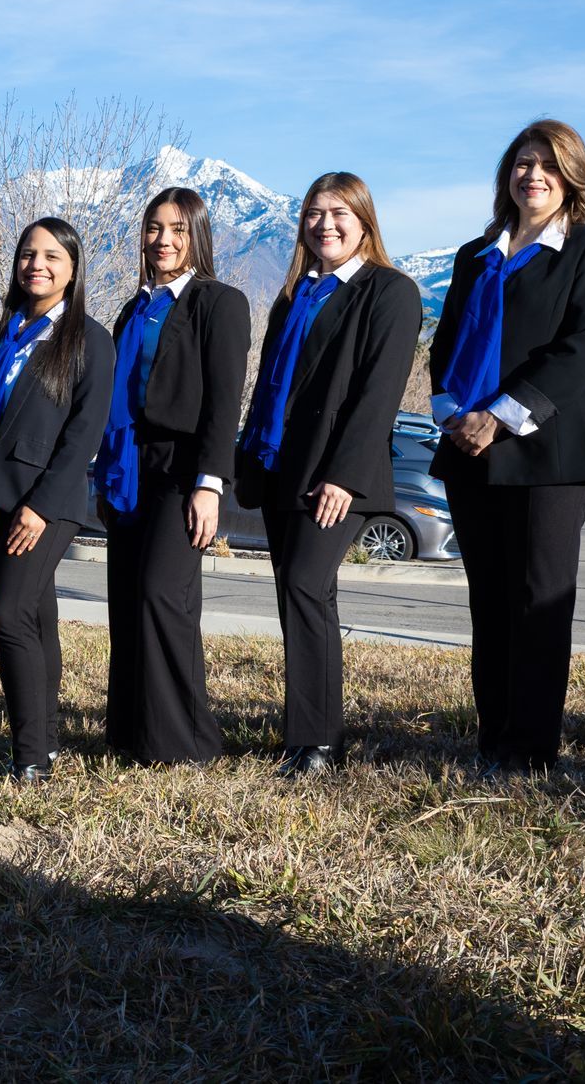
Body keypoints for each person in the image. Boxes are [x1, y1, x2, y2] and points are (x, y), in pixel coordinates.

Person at [429, 120, 585, 775]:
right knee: (491, 601)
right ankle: (494, 739)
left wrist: (502, 417)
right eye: (522, 162)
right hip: (469, 450)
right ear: (506, 175)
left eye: (548, 164)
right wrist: (454, 414)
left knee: (538, 602)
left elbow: (580, 350)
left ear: (571, 178)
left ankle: (530, 751)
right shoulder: (475, 254)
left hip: (548, 455)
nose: (532, 174)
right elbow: (445, 345)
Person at [235, 173, 421, 777]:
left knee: (306, 587)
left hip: (340, 475)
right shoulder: (296, 295)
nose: (326, 225)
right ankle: (317, 734)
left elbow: (379, 393)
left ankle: (313, 744)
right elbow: (269, 385)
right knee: (302, 596)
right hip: (282, 468)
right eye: (314, 214)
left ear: (365, 218)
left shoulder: (388, 291)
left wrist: (342, 475)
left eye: (339, 213)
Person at [95, 186, 249, 766]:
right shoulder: (133, 308)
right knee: (127, 599)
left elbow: (223, 403)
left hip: (183, 472)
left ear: (199, 236)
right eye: (155, 228)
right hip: (129, 469)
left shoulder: (219, 302)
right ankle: (132, 735)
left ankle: (185, 743)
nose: (163, 240)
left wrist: (210, 484)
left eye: (178, 230)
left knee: (164, 595)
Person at [0, 218, 113, 782]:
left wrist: (40, 505)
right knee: (38, 614)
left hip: (46, 503)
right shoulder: (7, 331)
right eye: (28, 254)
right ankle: (44, 740)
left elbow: (84, 433)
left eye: (52, 255)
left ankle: (28, 758)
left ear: (73, 269)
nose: (37, 264)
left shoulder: (88, 337)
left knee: (11, 613)